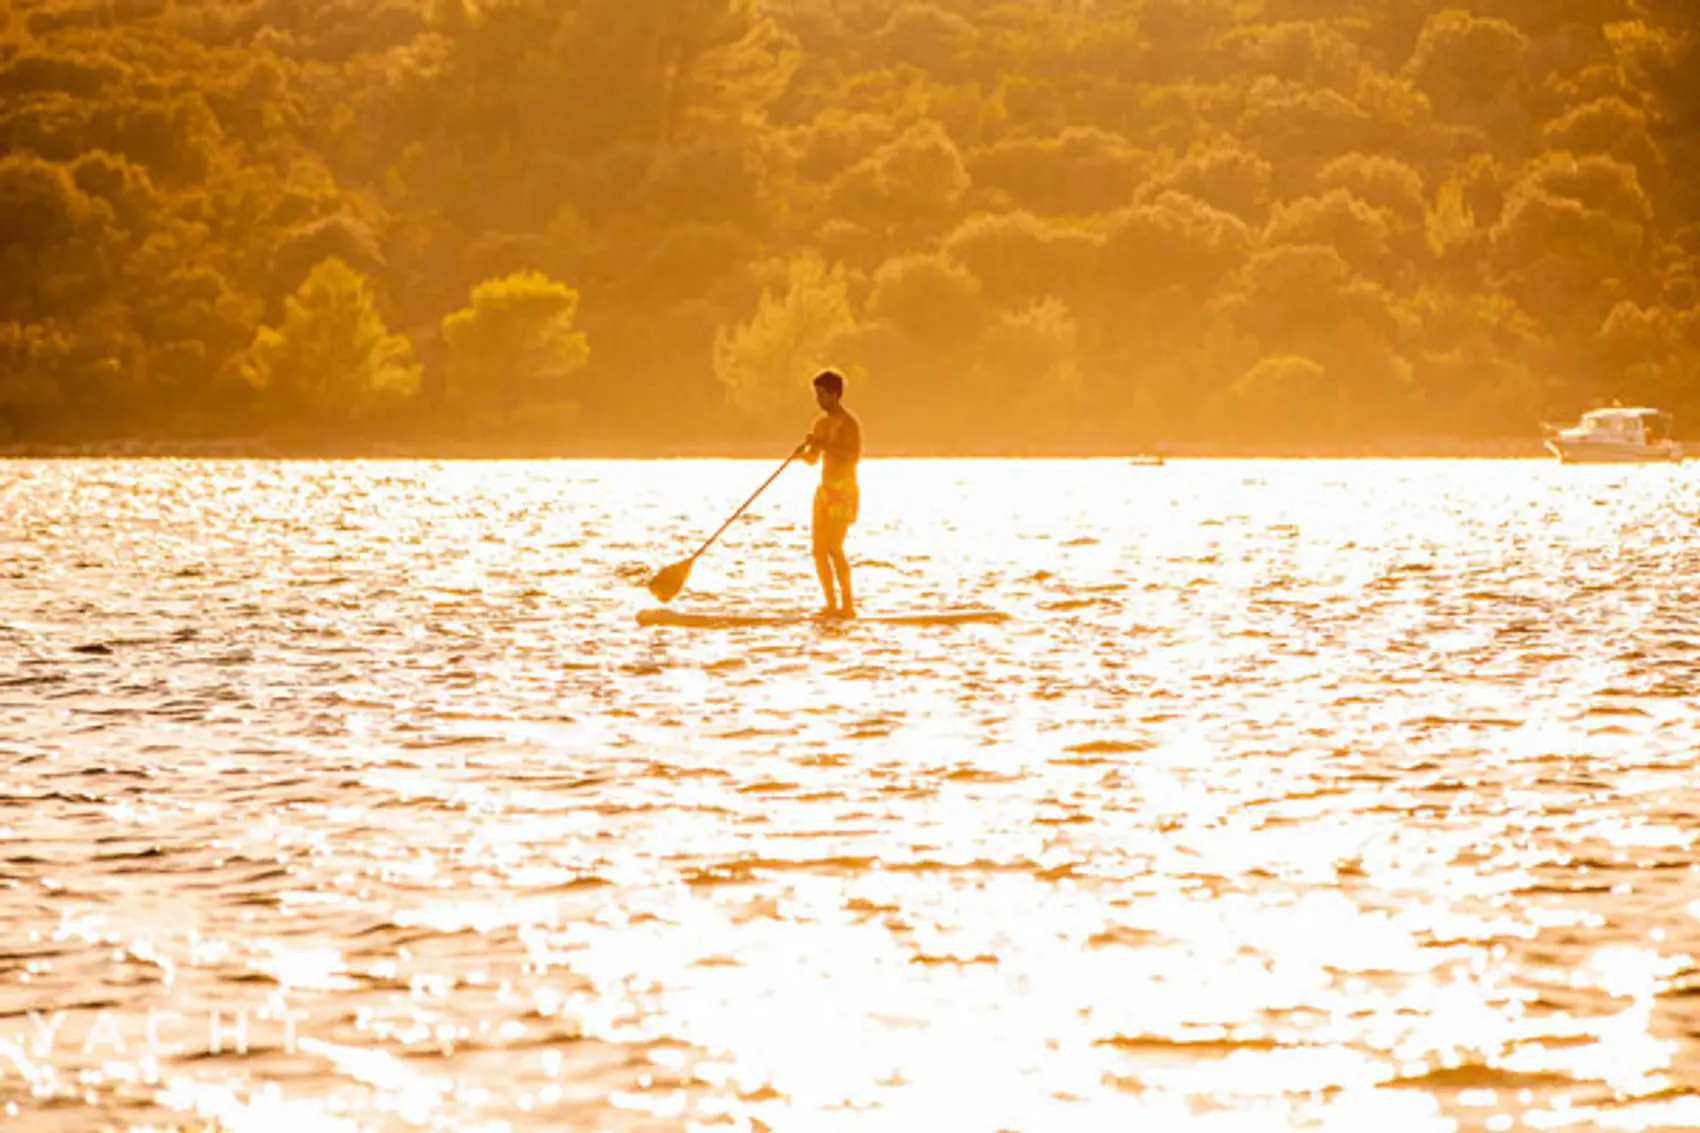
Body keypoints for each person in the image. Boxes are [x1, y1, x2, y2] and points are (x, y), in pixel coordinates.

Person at [800, 369, 862, 618]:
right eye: (817, 395)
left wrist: (826, 445)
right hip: (824, 491)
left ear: (835, 395)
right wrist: (804, 452)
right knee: (818, 550)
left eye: (822, 395)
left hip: (844, 490)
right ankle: (830, 604)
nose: (818, 400)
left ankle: (848, 604)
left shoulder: (849, 424)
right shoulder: (820, 424)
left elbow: (852, 456)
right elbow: (813, 460)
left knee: (834, 546)